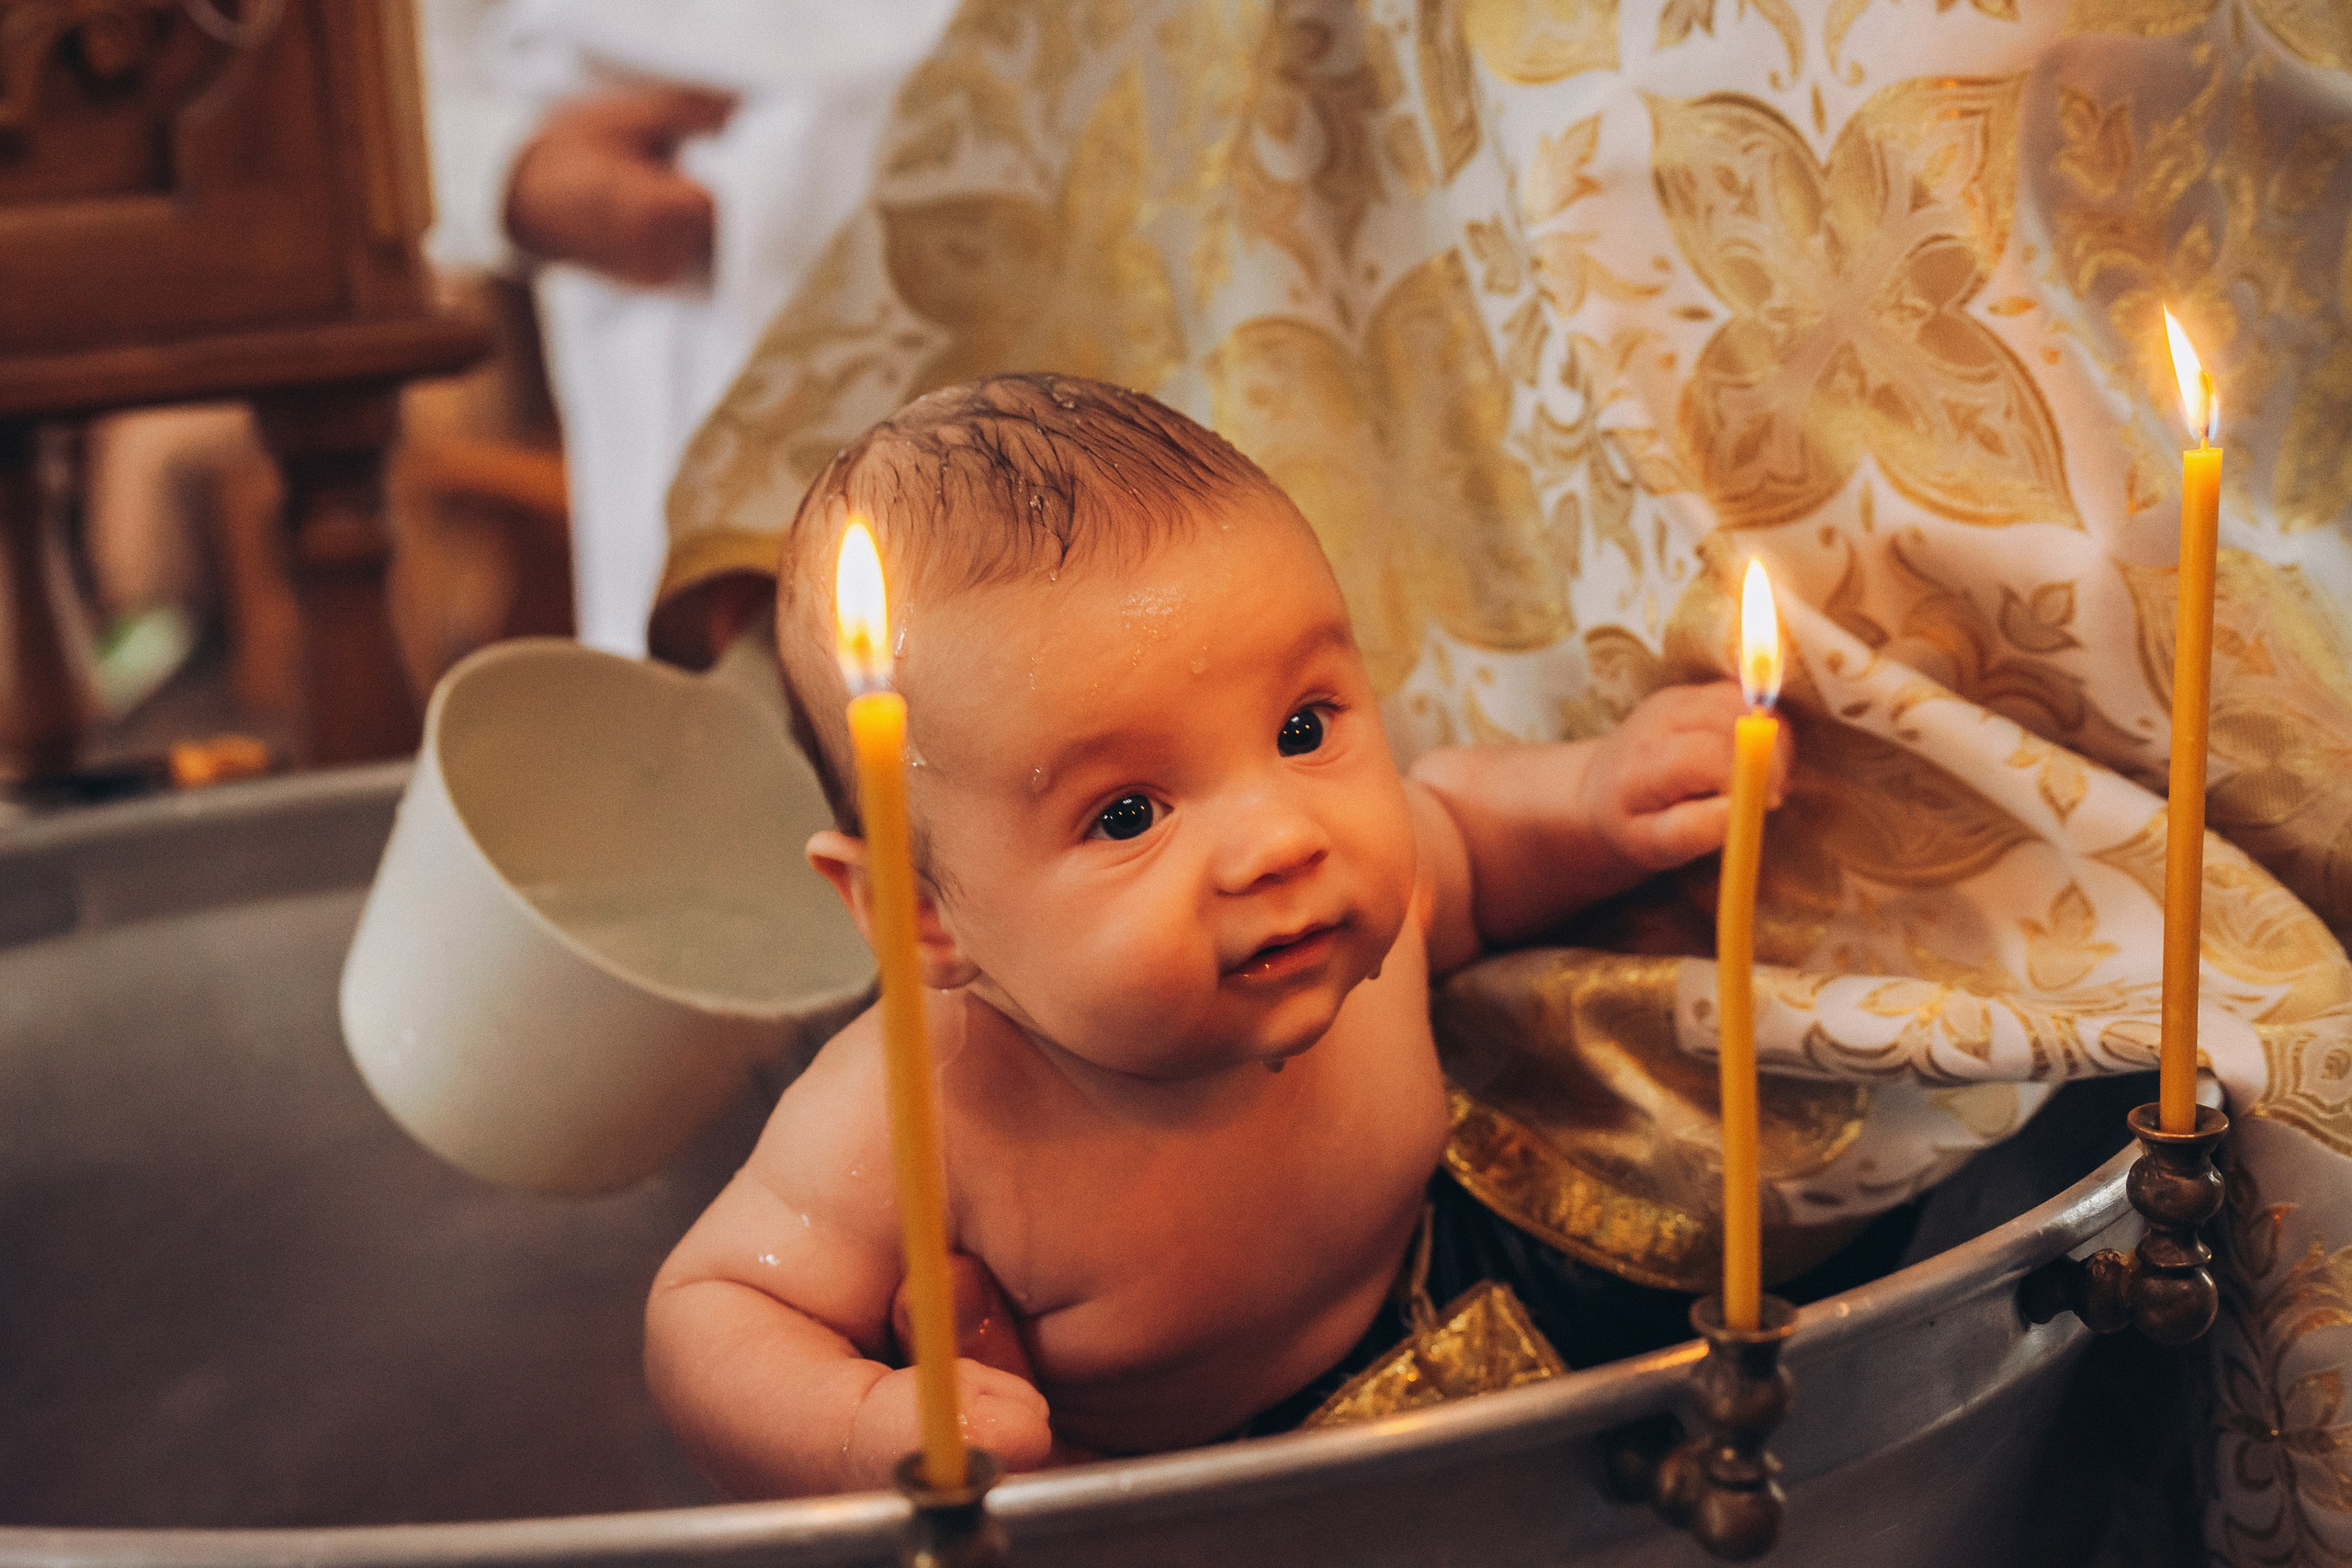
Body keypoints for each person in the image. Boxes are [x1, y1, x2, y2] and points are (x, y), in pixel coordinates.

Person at [641, 374, 1791, 1497]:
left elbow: (1471, 850)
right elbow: (716, 1309)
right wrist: (857, 1431)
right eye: (1127, 815)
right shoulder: (921, 1109)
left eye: (1302, 729)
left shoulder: (1356, 908)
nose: (1279, 840)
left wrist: (1592, 802)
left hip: (1454, 1304)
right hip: (1175, 1490)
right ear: (921, 914)